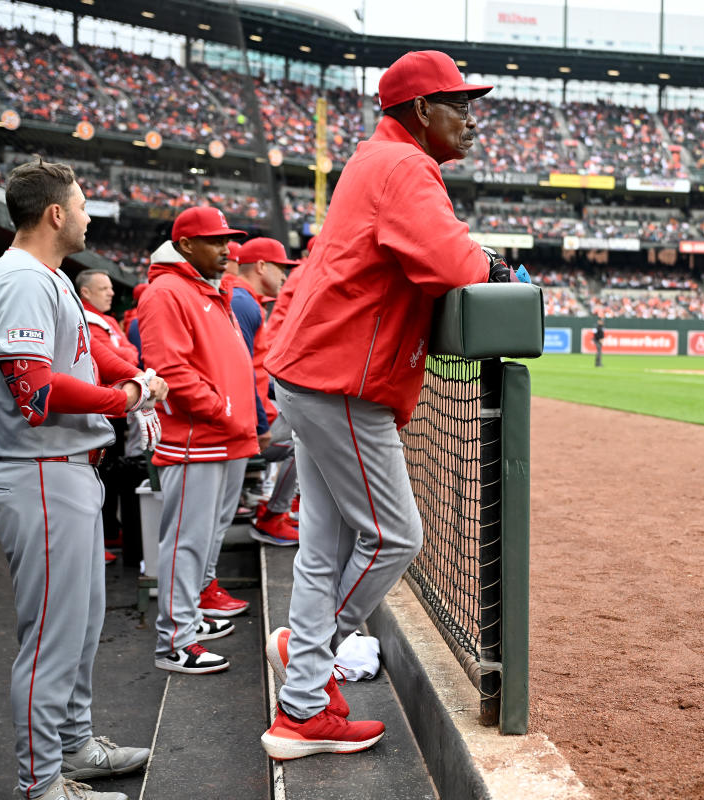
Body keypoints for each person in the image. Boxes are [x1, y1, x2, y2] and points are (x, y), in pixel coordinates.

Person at [260, 49, 517, 761]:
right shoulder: (405, 165)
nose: (470, 117)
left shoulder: (376, 159)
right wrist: (490, 263)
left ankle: (301, 711)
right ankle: (307, 660)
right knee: (396, 535)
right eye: (458, 104)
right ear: (419, 111)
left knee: (325, 548)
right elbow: (452, 263)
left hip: (316, 371)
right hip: (341, 377)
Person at [0, 158, 166, 800]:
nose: (89, 215)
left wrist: (131, 377)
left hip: (65, 472)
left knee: (80, 630)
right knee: (51, 641)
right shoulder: (23, 278)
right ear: (56, 213)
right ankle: (41, 782)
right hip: (37, 474)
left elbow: (85, 356)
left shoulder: (48, 277)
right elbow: (32, 388)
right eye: (83, 205)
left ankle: (75, 748)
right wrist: (129, 399)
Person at [139, 206, 260, 674]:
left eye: (228, 240)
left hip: (224, 437)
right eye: (215, 241)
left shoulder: (209, 289)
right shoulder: (166, 291)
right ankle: (175, 641)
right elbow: (169, 371)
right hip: (196, 438)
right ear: (186, 244)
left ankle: (189, 618)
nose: (226, 249)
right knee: (185, 542)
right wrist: (223, 409)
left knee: (206, 537)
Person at [233, 236, 300, 547]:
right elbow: (240, 372)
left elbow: (253, 373)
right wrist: (260, 425)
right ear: (260, 266)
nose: (284, 276)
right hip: (241, 428)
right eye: (279, 267)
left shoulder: (244, 300)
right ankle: (275, 516)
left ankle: (278, 512)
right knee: (310, 438)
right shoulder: (242, 302)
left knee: (310, 431)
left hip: (244, 420)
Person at [76, 269, 141, 565]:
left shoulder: (110, 319)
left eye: (111, 287)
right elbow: (119, 357)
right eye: (103, 288)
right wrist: (124, 355)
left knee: (112, 473)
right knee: (97, 475)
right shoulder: (86, 317)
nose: (111, 292)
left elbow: (129, 353)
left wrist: (123, 355)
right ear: (86, 292)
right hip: (97, 406)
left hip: (115, 405)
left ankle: (108, 531)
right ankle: (95, 539)